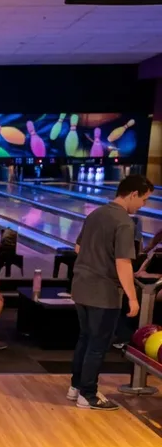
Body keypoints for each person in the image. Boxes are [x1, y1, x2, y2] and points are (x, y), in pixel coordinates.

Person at [69, 175, 154, 410]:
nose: (143, 205)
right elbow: (123, 263)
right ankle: (89, 395)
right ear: (133, 194)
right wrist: (133, 298)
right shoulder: (124, 222)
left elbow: (78, 247)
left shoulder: (95, 214)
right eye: (144, 199)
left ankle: (76, 387)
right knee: (98, 345)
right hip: (103, 293)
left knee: (86, 339)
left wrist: (95, 261)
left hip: (81, 287)